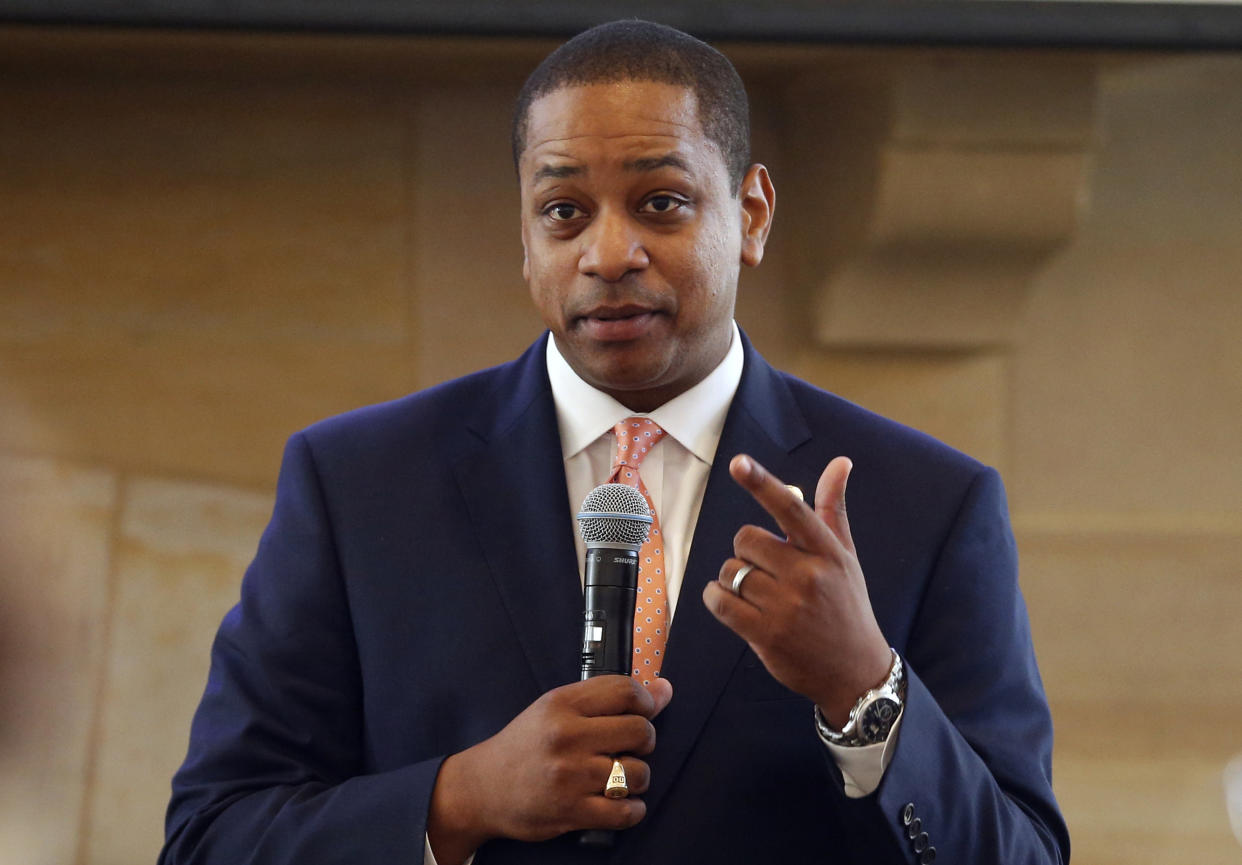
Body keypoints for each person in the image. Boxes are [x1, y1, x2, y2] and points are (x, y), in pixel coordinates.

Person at [161, 20, 1069, 865]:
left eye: (662, 202)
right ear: (525, 237)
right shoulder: (357, 485)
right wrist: (459, 797)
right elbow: (210, 835)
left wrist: (866, 692)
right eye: (563, 212)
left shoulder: (928, 504)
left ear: (750, 215)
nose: (608, 253)